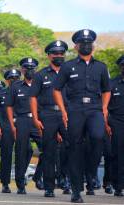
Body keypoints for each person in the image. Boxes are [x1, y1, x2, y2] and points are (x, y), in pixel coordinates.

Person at [53, 29, 111, 203]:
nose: (86, 45)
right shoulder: (68, 66)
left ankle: (91, 172)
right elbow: (56, 90)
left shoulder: (101, 67)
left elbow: (107, 90)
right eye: (82, 42)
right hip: (75, 109)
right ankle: (76, 190)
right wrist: (63, 111)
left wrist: (105, 108)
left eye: (88, 42)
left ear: (92, 45)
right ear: (76, 46)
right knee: (75, 149)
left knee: (98, 137)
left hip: (95, 109)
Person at [30, 40, 69, 197]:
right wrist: (35, 118)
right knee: (49, 152)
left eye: (61, 53)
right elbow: (32, 97)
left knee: (71, 148)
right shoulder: (41, 75)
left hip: (67, 115)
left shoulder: (70, 72)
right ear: (49, 56)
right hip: (47, 116)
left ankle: (66, 180)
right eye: (55, 53)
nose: (59, 56)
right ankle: (49, 187)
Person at [7, 57, 39, 194]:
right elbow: (9, 106)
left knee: (50, 147)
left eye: (32, 68)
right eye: (27, 68)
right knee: (21, 152)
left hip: (38, 121)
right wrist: (12, 125)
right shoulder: (16, 86)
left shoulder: (41, 84)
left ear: (35, 70)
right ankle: (20, 184)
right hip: (22, 120)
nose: (29, 70)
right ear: (22, 70)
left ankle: (38, 177)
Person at [0, 70, 21, 193]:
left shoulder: (25, 90)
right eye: (11, 78)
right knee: (7, 155)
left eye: (16, 77)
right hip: (6, 127)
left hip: (21, 125)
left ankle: (20, 181)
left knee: (27, 151)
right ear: (7, 80)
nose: (14, 80)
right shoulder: (0, 93)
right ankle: (5, 183)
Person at [106, 55, 124, 197]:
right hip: (117, 122)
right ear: (120, 67)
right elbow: (104, 106)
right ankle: (119, 186)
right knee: (118, 154)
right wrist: (106, 124)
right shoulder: (112, 83)